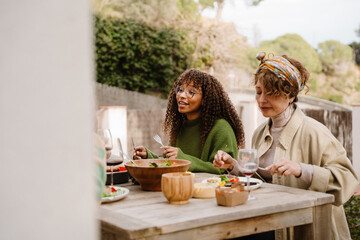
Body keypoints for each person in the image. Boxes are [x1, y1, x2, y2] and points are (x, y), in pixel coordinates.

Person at [213, 52, 358, 239]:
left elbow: (347, 179)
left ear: (290, 95)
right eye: (258, 92)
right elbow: (264, 179)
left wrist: (301, 169)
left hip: (308, 229)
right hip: (269, 222)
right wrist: (234, 166)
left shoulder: (315, 131)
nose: (261, 100)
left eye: (271, 93)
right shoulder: (260, 132)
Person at [133, 68, 245, 174]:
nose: (181, 95)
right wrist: (149, 158)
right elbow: (171, 163)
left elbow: (224, 171)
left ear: (205, 100)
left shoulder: (221, 128)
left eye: (191, 92)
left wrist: (183, 159)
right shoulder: (181, 126)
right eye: (180, 90)